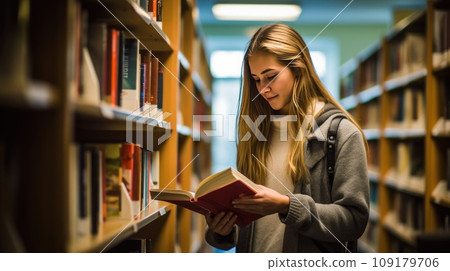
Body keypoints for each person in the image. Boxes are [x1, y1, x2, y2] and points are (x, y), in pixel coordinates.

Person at [204, 23, 370, 253]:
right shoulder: (256, 131)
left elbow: (354, 220)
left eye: (270, 77)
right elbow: (252, 219)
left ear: (298, 69)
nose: (263, 89)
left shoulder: (340, 133)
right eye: (256, 79)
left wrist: (287, 206)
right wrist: (223, 229)